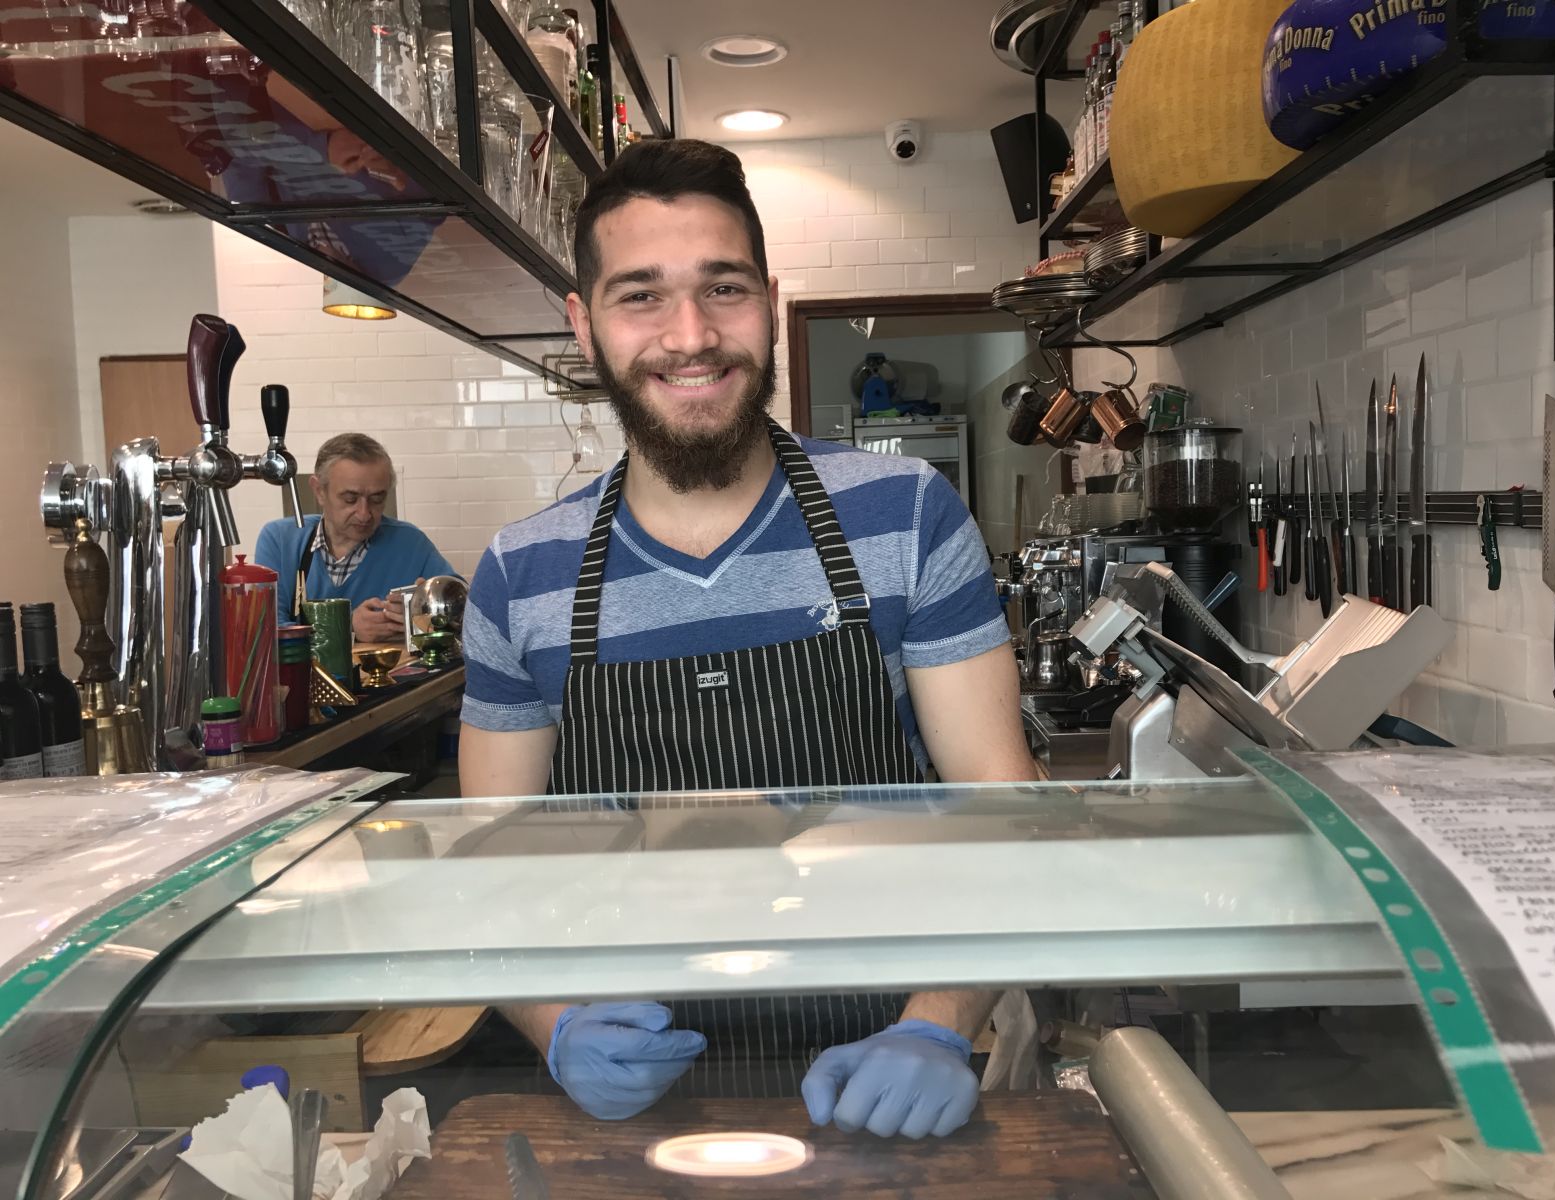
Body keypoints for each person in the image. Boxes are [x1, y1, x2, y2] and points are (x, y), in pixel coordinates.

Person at [458, 139, 1037, 1139]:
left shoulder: (904, 514)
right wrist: (557, 1028)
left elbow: (1004, 810)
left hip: (882, 1090)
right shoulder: (522, 572)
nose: (690, 336)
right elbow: (488, 867)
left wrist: (938, 1026)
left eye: (722, 288)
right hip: (632, 1113)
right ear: (583, 324)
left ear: (768, 302)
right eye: (641, 295)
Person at [255, 433, 457, 642]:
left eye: (377, 499)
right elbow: (266, 632)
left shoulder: (411, 544)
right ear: (319, 491)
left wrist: (426, 614)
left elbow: (461, 612)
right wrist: (347, 628)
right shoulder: (280, 540)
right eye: (350, 499)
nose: (364, 514)